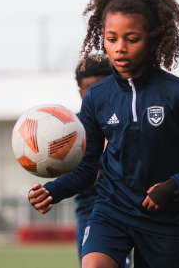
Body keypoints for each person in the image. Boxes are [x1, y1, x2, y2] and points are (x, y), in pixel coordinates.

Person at [29, 0, 179, 268]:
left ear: (151, 39)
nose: (120, 48)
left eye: (132, 39)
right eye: (112, 39)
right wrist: (54, 190)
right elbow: (88, 169)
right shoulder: (97, 97)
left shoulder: (178, 92)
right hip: (112, 210)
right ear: (102, 37)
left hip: (164, 218)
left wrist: (175, 186)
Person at [74, 56, 132, 268]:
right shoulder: (69, 129)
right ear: (80, 92)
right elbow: (70, 174)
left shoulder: (131, 119)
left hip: (132, 208)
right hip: (90, 213)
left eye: (102, 86)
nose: (95, 94)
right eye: (89, 88)